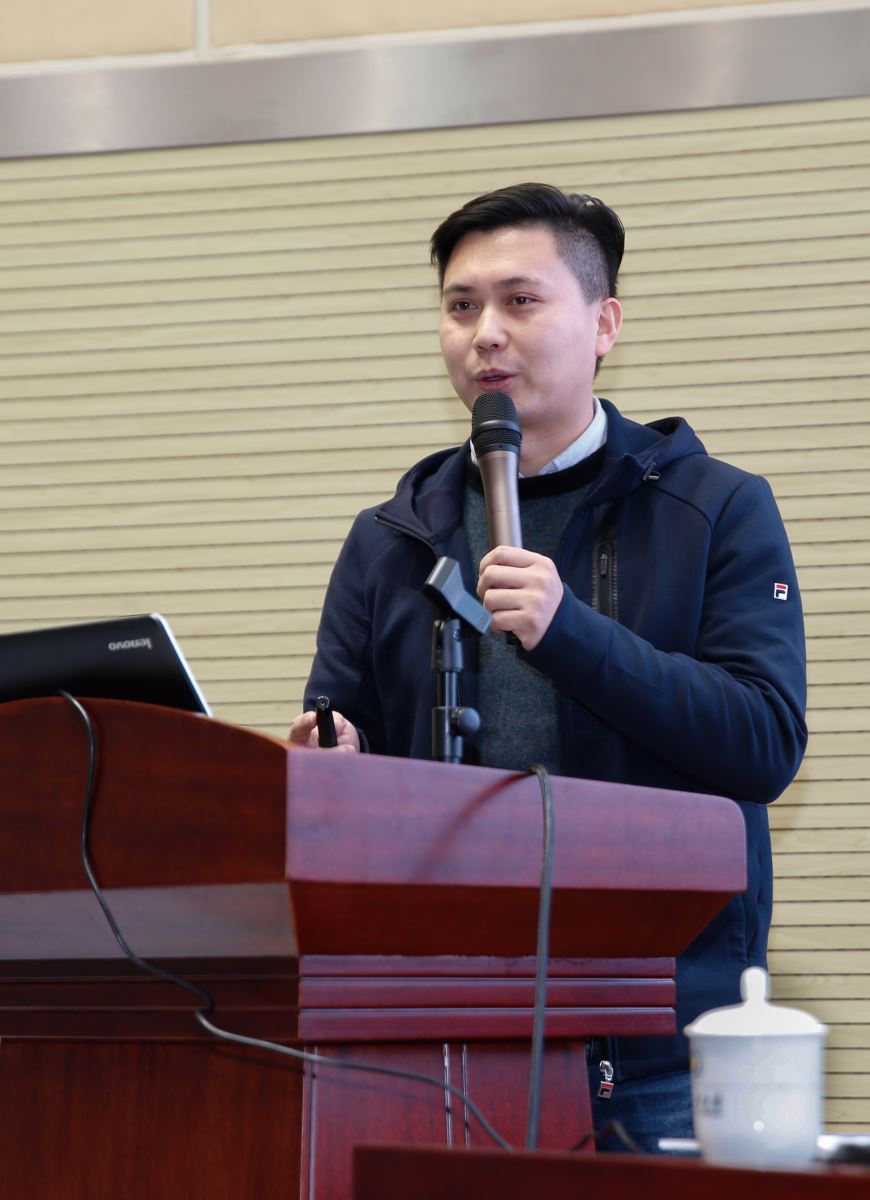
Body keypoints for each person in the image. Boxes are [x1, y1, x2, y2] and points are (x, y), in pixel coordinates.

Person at [288, 182, 808, 1151]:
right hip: (435, 1035)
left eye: (520, 301)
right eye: (460, 306)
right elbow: (346, 746)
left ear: (604, 323)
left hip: (653, 1044)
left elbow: (763, 742)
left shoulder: (714, 508)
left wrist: (570, 632)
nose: (485, 332)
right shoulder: (392, 538)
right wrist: (331, 766)